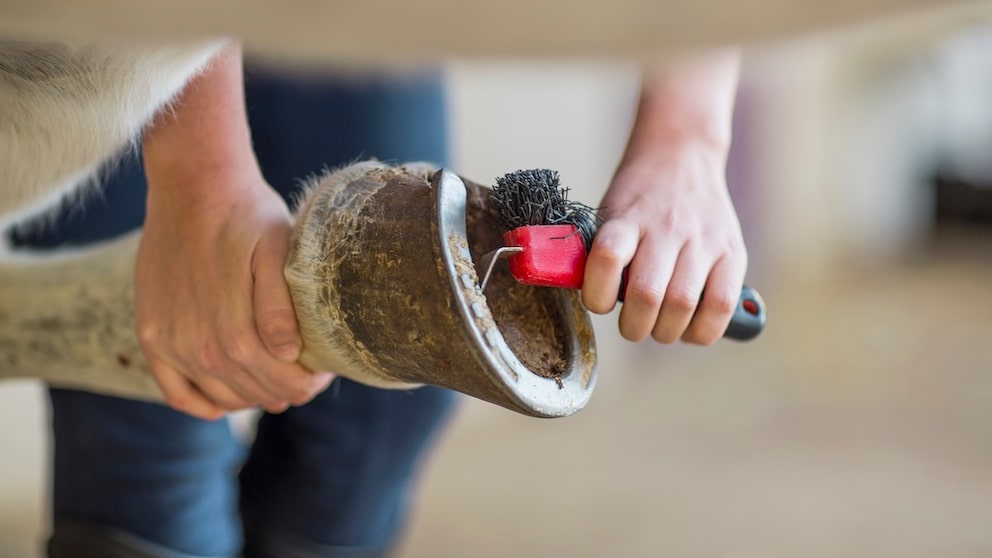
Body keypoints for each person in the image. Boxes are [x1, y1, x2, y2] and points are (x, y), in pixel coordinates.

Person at [14, 43, 746, 556]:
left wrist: (685, 140)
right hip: (116, 37)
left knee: (386, 404)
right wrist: (198, 176)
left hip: (361, 20)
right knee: (165, 396)